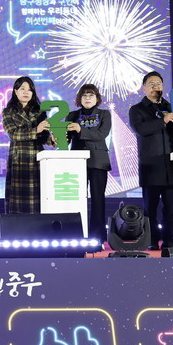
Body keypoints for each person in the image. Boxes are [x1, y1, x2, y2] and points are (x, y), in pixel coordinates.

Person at [129, 71, 173, 249]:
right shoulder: (137, 109)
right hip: (150, 165)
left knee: (171, 207)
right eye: (151, 84)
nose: (155, 86)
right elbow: (140, 129)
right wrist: (163, 121)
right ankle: (151, 240)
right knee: (150, 208)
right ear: (144, 88)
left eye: (158, 83)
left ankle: (168, 239)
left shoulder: (172, 107)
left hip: (171, 165)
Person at [66, 84, 111, 241]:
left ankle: (97, 236)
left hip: (98, 161)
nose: (87, 98)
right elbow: (66, 138)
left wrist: (81, 130)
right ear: (79, 98)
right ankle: (77, 234)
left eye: (91, 95)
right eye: (84, 95)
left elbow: (101, 134)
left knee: (98, 199)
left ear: (97, 98)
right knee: (77, 198)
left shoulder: (104, 114)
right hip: (77, 161)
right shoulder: (72, 115)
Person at [2, 76, 51, 214]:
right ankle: (18, 225)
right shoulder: (8, 111)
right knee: (18, 198)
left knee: (38, 195)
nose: (26, 92)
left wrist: (53, 140)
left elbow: (44, 136)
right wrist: (36, 130)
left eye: (29, 89)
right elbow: (13, 134)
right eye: (22, 88)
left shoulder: (40, 111)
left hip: (38, 157)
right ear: (15, 91)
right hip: (19, 158)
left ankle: (39, 225)